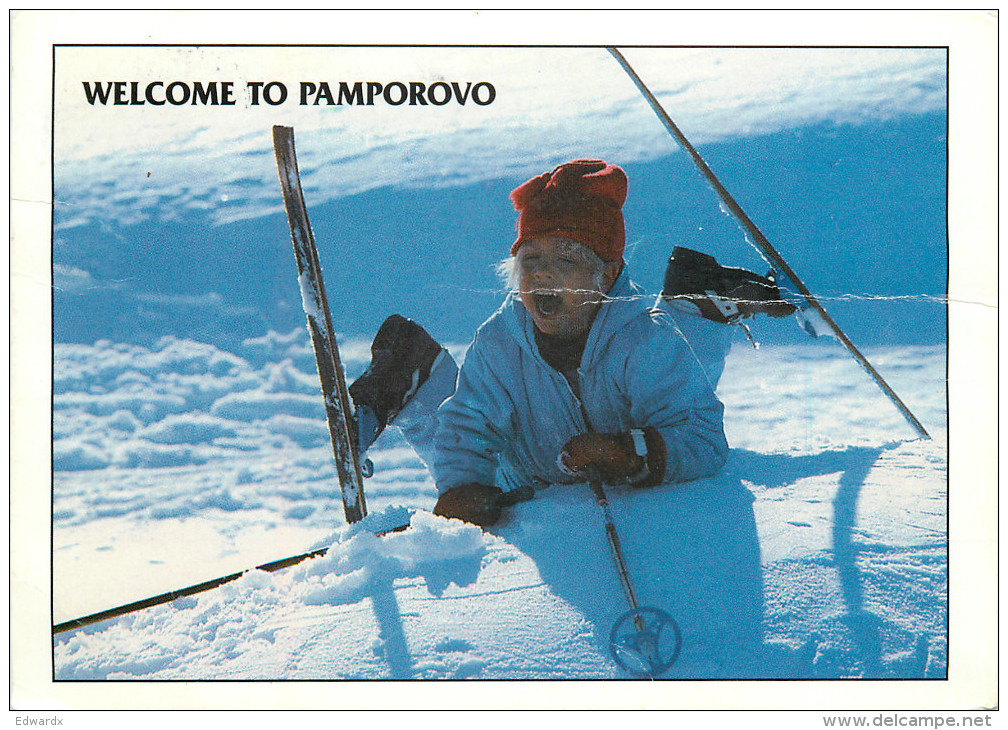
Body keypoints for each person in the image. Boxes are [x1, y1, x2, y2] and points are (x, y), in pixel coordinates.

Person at [349, 159, 794, 527]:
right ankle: (695, 305)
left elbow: (702, 437)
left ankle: (421, 373)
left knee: (673, 377)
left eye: (567, 260)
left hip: (589, 472)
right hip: (525, 476)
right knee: (484, 470)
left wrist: (629, 453)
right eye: (530, 260)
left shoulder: (644, 341)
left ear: (608, 273)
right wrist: (462, 487)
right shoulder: (500, 342)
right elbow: (466, 425)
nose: (541, 274)